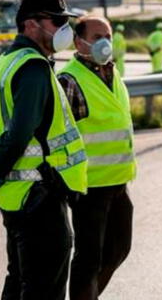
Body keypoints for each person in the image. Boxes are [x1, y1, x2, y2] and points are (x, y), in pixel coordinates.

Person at [0, 0, 88, 300]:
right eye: (56, 21)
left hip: (16, 197)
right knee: (43, 287)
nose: (64, 28)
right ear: (31, 24)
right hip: (40, 197)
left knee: (20, 280)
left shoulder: (5, 63)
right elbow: (20, 132)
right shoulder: (33, 67)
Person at [57, 16, 136, 300]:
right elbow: (58, 135)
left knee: (119, 249)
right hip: (89, 187)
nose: (105, 42)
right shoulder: (69, 80)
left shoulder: (113, 74)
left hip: (118, 182)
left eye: (108, 36)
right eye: (97, 36)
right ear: (79, 42)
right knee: (89, 257)